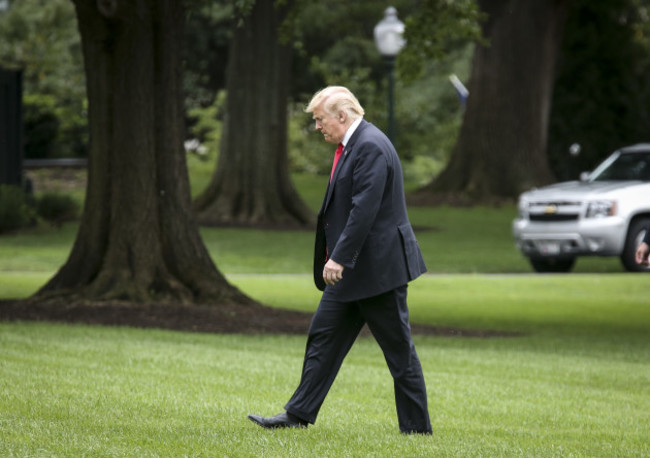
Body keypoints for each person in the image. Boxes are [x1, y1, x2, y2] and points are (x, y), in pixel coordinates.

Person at [247, 86, 432, 435]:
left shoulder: (371, 146)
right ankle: (297, 414)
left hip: (378, 270)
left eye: (320, 119)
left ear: (342, 116)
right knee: (323, 337)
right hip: (353, 272)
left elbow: (365, 209)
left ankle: (417, 430)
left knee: (398, 352)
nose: (318, 126)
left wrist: (339, 259)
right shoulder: (354, 145)